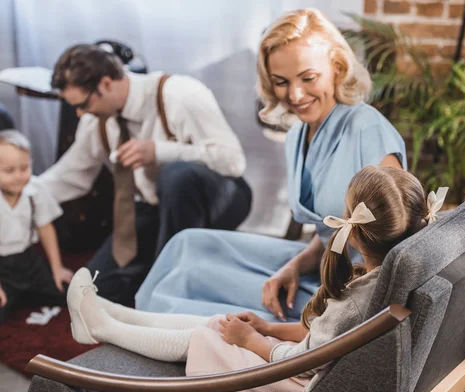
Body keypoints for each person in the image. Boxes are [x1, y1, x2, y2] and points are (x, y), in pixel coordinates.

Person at [67, 165, 446, 392]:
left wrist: (253, 342)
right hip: (304, 367)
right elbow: (325, 340)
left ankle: (102, 327)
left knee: (205, 336)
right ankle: (110, 313)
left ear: (355, 231)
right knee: (221, 322)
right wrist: (266, 328)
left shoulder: (357, 302)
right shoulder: (391, 277)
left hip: (289, 384)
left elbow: (305, 360)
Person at [135, 8, 406, 322]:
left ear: (337, 67)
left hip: (352, 287)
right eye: (281, 82)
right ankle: (135, 320)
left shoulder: (367, 129)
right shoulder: (297, 136)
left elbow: (396, 244)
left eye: (308, 78)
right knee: (188, 244)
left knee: (197, 284)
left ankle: (138, 329)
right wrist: (291, 267)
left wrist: (338, 306)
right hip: (320, 262)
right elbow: (329, 237)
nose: (295, 94)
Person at [38, 44, 252, 305]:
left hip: (219, 197)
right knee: (95, 292)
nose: (80, 113)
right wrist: (18, 193)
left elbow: (233, 162)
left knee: (178, 176)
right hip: (154, 207)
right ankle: (159, 273)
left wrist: (161, 151)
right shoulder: (96, 121)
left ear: (105, 84)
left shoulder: (181, 95)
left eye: (82, 104)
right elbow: (70, 175)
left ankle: (173, 282)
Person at [0, 130, 74, 327]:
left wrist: (57, 268)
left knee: (67, 294)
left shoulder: (36, 189)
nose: (18, 176)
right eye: (9, 171)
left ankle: (19, 294)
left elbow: (46, 229)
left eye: (24, 168)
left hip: (28, 260)